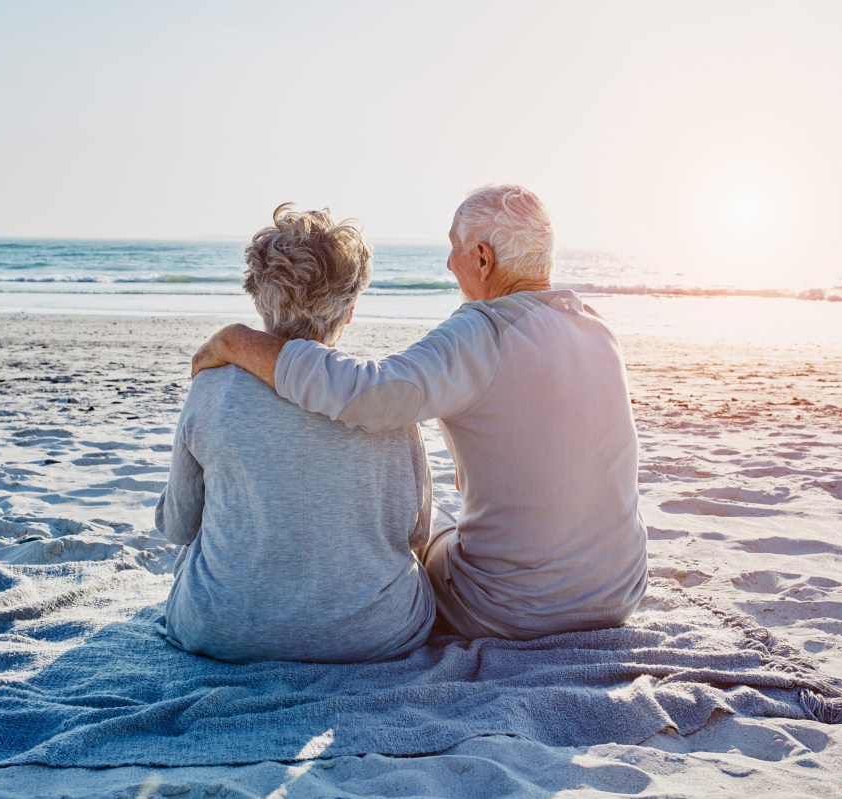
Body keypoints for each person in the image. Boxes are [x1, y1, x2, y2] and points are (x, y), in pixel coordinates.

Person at [191, 185, 647, 641]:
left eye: (455, 249)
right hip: (618, 595)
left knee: (429, 537)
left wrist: (237, 341)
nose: (450, 264)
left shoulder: (482, 332)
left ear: (483, 259)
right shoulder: (598, 330)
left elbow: (369, 397)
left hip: (514, 610)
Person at [156, 204, 435, 663]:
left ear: (258, 300)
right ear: (349, 311)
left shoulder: (211, 387)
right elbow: (416, 531)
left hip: (221, 630)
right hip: (376, 634)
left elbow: (178, 525)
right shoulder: (383, 395)